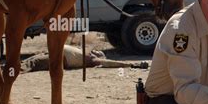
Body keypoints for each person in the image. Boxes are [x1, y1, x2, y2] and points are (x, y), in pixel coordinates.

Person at [20, 44, 148, 73]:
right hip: (55, 51)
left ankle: (18, 69)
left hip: (61, 58)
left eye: (98, 52)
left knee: (34, 63)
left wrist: (132, 65)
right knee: (34, 59)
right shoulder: (83, 52)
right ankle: (17, 66)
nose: (95, 51)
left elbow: (110, 63)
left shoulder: (92, 60)